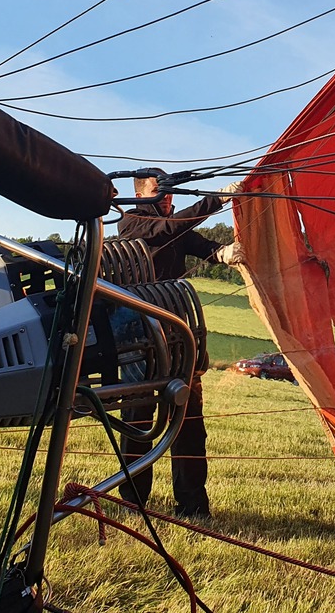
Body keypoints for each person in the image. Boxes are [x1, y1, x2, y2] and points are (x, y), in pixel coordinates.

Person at [116, 169, 242, 518]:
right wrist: (217, 199)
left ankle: (193, 505)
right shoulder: (131, 223)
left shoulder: (174, 227)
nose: (168, 196)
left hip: (178, 336)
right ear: (141, 195)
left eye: (170, 191)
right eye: (160, 190)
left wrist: (224, 253)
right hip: (140, 337)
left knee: (188, 421)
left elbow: (200, 245)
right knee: (138, 421)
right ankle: (133, 502)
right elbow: (170, 229)